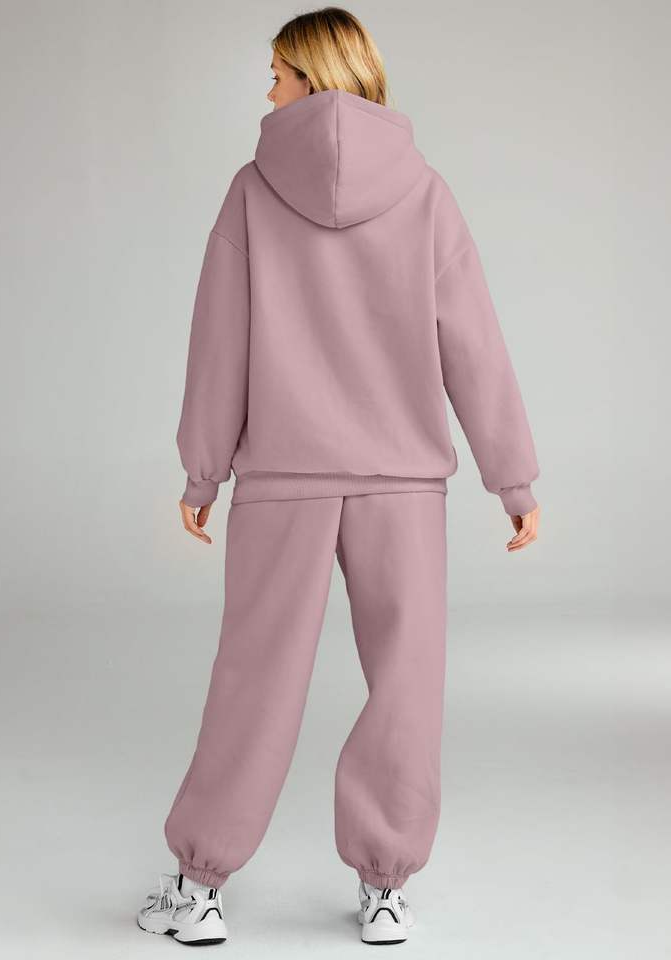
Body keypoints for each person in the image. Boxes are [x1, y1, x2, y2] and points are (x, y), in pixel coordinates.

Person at [136, 5, 540, 947]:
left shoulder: (251, 189)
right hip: (404, 482)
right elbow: (474, 344)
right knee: (408, 679)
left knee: (254, 675)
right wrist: (512, 480)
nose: (269, 90)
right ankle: (384, 887)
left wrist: (202, 473)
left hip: (284, 474)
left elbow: (219, 342)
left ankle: (200, 887)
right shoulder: (425, 191)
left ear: (314, 77)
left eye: (278, 74)